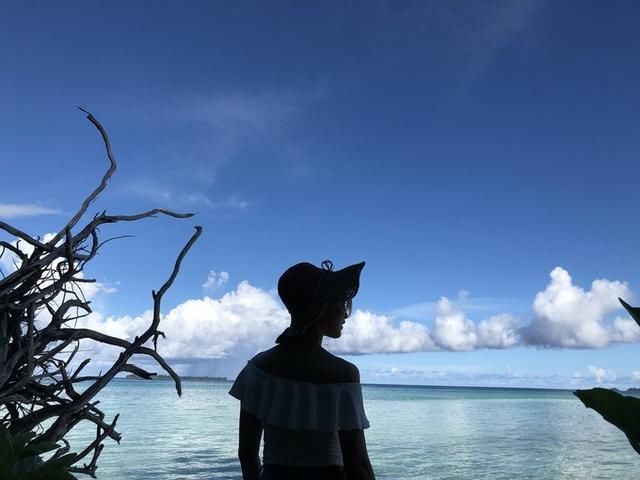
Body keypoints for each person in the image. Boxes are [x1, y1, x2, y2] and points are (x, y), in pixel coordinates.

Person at [229, 260, 375, 480]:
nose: (346, 314)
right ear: (324, 307)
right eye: (343, 304)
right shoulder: (343, 374)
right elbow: (358, 466)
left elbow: (247, 456)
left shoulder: (258, 369)